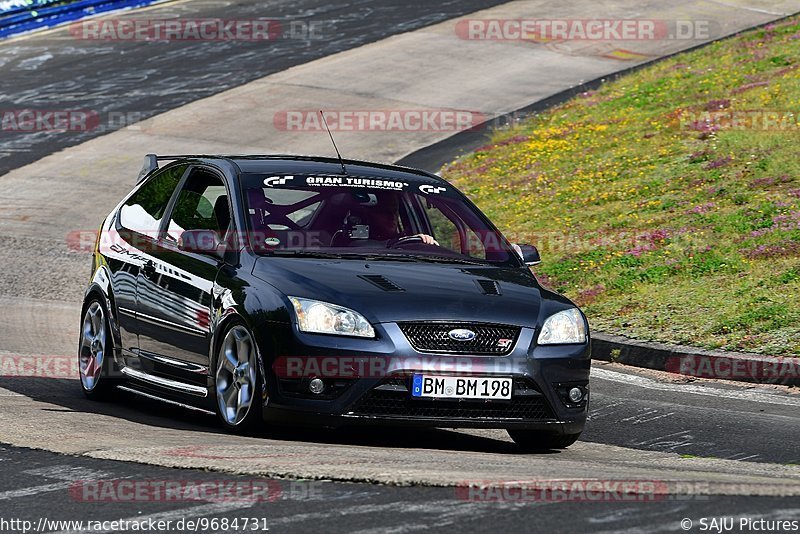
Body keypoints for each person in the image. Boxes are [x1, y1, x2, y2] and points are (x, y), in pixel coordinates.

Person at [366, 191, 439, 245]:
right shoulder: (357, 246)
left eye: (394, 212)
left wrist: (424, 239)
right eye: (386, 213)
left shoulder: (403, 242)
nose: (392, 217)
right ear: (371, 215)